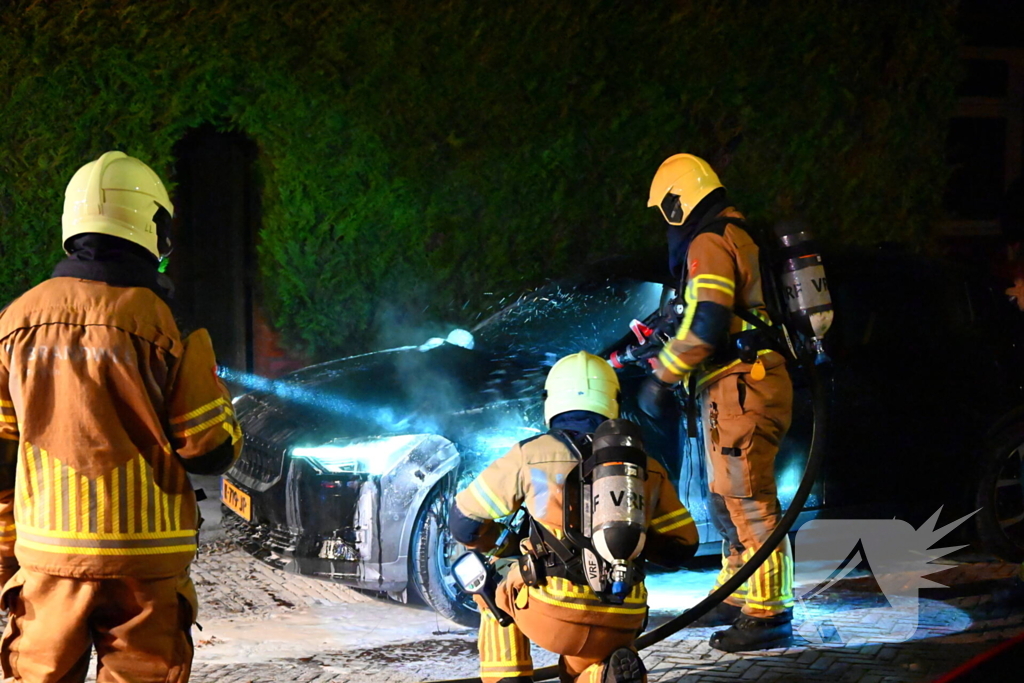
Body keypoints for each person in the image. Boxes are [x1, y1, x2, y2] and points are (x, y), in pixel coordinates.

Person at [0, 151, 243, 683]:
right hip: (145, 569)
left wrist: (5, 557)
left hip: (48, 563)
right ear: (154, 227)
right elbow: (208, 447)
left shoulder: (14, 321)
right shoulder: (168, 322)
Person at [449, 351, 699, 683]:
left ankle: (508, 677)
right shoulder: (646, 466)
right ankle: (601, 674)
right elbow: (684, 546)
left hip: (553, 613)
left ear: (551, 400)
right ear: (612, 400)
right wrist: (626, 538)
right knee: (589, 657)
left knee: (489, 583)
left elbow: (463, 524)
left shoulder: (531, 454)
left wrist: (502, 545)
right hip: (626, 613)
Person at [638, 153, 794, 652]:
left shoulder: (709, 241)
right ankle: (738, 590)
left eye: (666, 212)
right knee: (725, 497)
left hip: (743, 385)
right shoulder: (733, 233)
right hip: (734, 386)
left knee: (748, 499)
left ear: (678, 202)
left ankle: (770, 612)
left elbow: (707, 323)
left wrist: (662, 376)